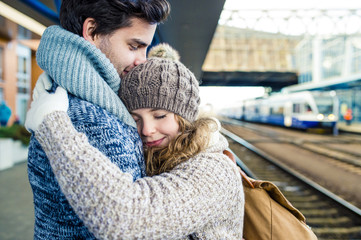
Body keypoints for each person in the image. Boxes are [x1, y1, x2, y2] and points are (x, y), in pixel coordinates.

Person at [25, 50, 245, 239]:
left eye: (160, 116)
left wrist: (52, 123)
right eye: (135, 119)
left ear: (186, 117)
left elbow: (127, 221)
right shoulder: (157, 157)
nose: (147, 130)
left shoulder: (215, 171)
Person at [27, 0, 170, 238]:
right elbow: (134, 227)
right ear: (92, 31)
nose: (142, 60)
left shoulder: (71, 98)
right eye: (134, 46)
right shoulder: (88, 118)